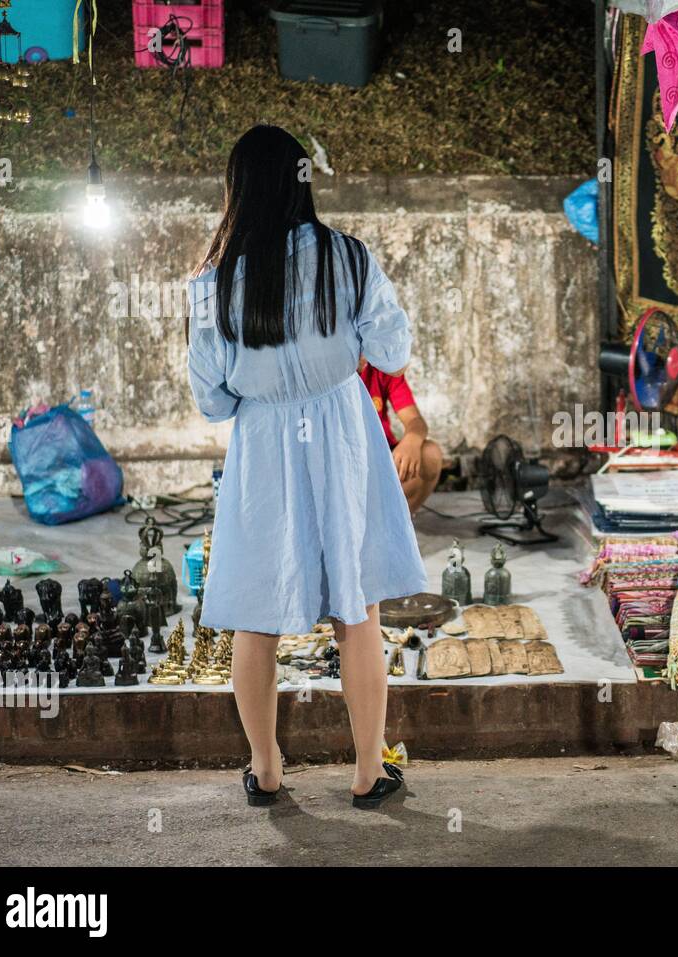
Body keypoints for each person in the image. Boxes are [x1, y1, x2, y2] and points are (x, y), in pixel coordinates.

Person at [186, 125, 428, 808]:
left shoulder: (214, 282)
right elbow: (391, 349)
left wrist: (262, 384)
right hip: (343, 434)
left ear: (238, 191)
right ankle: (365, 772)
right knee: (359, 609)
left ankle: (265, 769)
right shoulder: (348, 258)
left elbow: (211, 397)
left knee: (254, 615)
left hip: (262, 441)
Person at [358, 358, 443, 514]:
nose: (363, 355)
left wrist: (411, 441)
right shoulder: (327, 374)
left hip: (382, 456)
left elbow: (415, 420)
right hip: (348, 464)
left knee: (430, 454)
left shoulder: (381, 368)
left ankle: (401, 525)